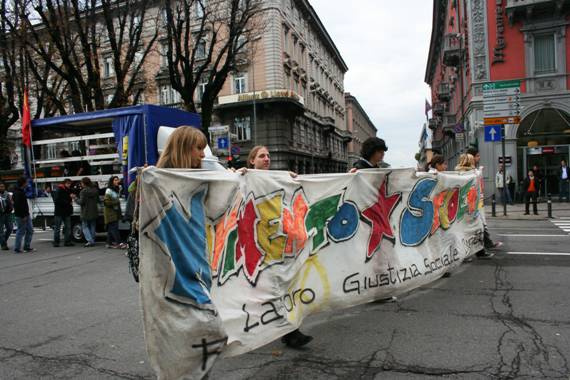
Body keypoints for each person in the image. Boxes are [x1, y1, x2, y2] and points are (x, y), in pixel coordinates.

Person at [243, 145, 313, 349]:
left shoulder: (277, 178)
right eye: (261, 156)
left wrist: (289, 178)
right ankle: (288, 332)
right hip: (255, 246)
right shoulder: (245, 178)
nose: (267, 159)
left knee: (277, 289)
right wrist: (238, 174)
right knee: (266, 291)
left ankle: (289, 332)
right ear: (251, 161)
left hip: (275, 245)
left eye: (268, 156)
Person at [465, 147, 502, 253]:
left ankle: (484, 247)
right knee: (478, 226)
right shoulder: (468, 170)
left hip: (478, 202)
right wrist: (479, 171)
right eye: (477, 156)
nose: (479, 157)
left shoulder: (474, 169)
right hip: (472, 204)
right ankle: (482, 248)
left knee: (480, 225)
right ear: (471, 157)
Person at [12, 177, 34, 253]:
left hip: (25, 214)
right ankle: (17, 248)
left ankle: (27, 246)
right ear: (23, 183)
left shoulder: (21, 191)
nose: (27, 184)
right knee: (21, 231)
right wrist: (23, 216)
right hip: (21, 215)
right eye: (26, 182)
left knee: (30, 230)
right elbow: (18, 205)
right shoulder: (18, 192)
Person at [75, 177, 99, 247]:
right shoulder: (95, 190)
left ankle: (90, 241)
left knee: (85, 226)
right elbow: (97, 200)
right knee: (92, 226)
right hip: (94, 210)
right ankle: (92, 240)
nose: (81, 184)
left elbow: (81, 202)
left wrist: (75, 198)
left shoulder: (83, 191)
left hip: (85, 211)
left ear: (84, 183)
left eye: (81, 183)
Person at [104, 176, 126, 249]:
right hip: (110, 213)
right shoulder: (109, 190)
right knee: (114, 228)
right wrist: (116, 201)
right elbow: (106, 202)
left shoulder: (115, 189)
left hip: (114, 212)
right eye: (115, 180)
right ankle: (119, 243)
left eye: (117, 180)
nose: (117, 181)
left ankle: (108, 243)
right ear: (112, 181)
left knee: (111, 228)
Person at [53, 178, 75, 247]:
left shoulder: (68, 190)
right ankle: (57, 242)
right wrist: (68, 202)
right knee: (58, 228)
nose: (69, 185)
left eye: (70, 184)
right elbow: (56, 200)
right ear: (64, 183)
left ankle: (67, 241)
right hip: (60, 211)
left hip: (65, 211)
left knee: (67, 227)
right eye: (68, 183)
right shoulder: (59, 189)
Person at [0, 181, 14, 250]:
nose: (2, 188)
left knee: (10, 228)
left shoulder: (7, 194)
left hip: (8, 213)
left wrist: (11, 207)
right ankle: (3, 244)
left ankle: (3, 241)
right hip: (0, 214)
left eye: (3, 186)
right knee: (1, 230)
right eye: (0, 187)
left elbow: (11, 202)